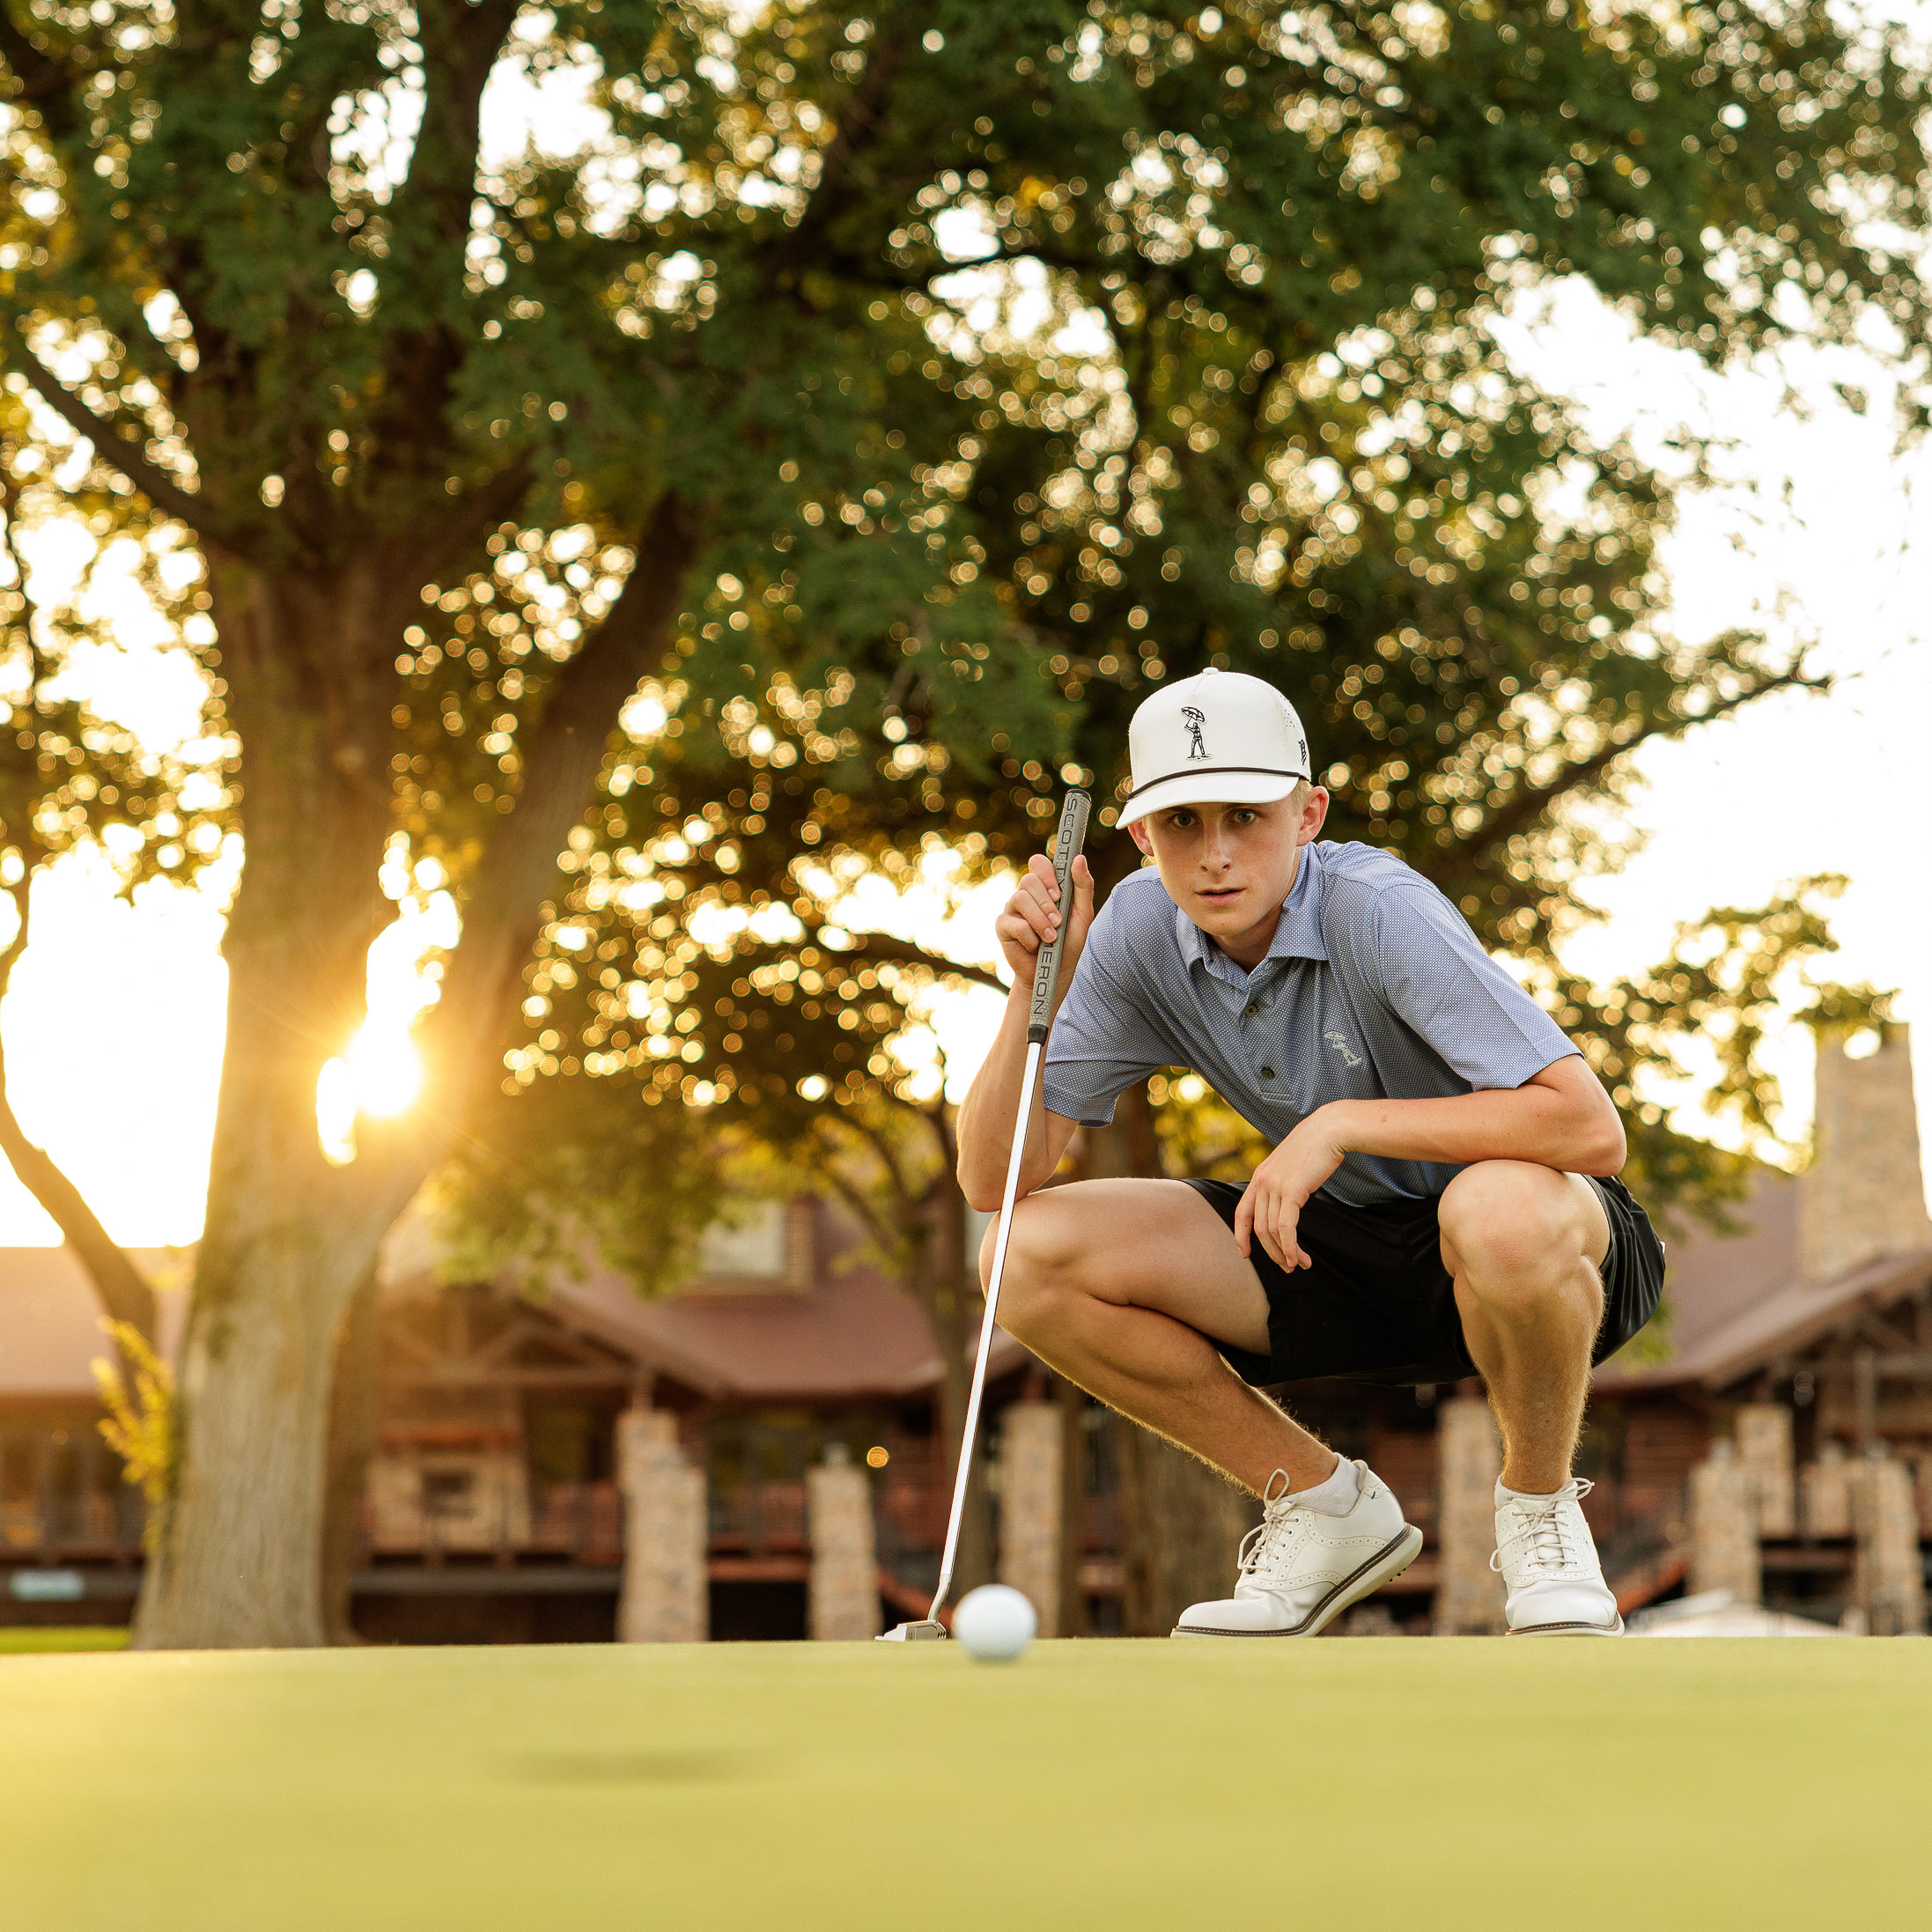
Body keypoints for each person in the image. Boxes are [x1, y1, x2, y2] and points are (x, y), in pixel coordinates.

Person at [957, 667, 1663, 1636]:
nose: (1215, 855)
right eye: (1182, 822)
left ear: (1308, 814)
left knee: (1495, 1209)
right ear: (1141, 837)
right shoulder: (1134, 931)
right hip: (1341, 1255)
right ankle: (1326, 1507)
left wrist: (1338, 1125)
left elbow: (1587, 1129)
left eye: (1246, 817)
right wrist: (1034, 985)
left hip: (1537, 1252)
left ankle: (1540, 1511)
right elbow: (992, 1176)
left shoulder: (1375, 907)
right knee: (1018, 1253)